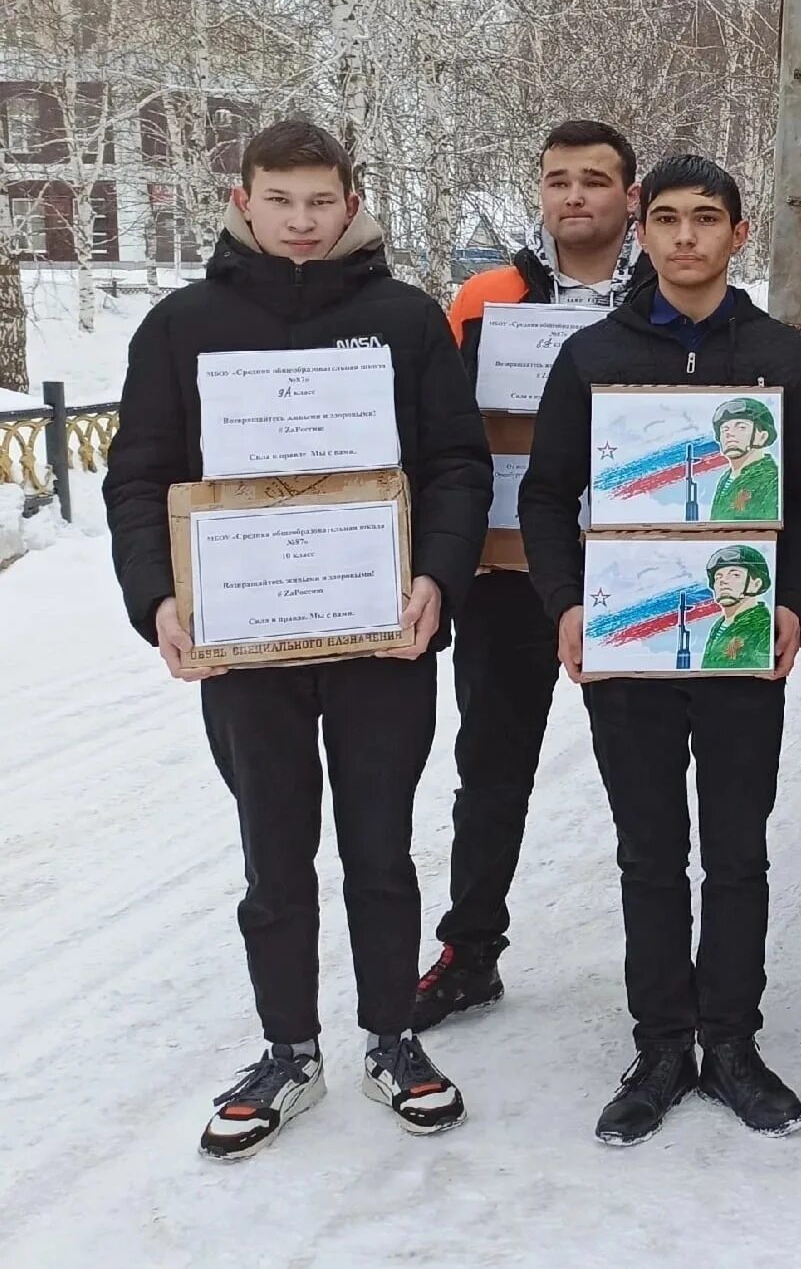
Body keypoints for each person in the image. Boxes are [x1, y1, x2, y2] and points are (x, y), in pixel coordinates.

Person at [103, 119, 492, 1160]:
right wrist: (158, 597)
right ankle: (288, 1048)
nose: (304, 221)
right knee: (274, 854)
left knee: (379, 848)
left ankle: (392, 1034)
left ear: (351, 197)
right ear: (243, 200)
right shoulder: (183, 325)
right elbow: (137, 475)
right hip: (245, 644)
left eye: (323, 200)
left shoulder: (405, 320)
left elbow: (456, 463)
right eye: (282, 200)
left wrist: (436, 577)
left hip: (380, 637)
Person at [518, 153, 801, 1147]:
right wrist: (566, 599)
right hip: (634, 642)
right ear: (642, 234)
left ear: (740, 234)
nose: (686, 236)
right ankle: (661, 1042)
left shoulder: (783, 356)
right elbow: (542, 490)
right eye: (667, 219)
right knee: (652, 850)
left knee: (737, 850)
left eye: (706, 218)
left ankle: (732, 1040)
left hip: (741, 643)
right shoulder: (591, 356)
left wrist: (791, 603)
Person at [415, 117, 647, 1032]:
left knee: (641, 773)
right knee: (492, 764)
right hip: (509, 570)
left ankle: (659, 969)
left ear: (630, 197)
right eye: (559, 180)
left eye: (596, 179)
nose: (576, 196)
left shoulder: (666, 293)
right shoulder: (482, 298)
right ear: (540, 193)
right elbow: (439, 436)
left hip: (631, 567)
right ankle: (470, 951)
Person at [700, 544, 777, 671]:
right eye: (718, 576)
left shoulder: (764, 628)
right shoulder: (718, 626)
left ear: (756, 584)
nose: (722, 581)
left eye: (735, 575)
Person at [708, 396, 781, 523]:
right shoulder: (725, 480)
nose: (729, 434)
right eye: (724, 429)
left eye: (741, 427)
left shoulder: (772, 480)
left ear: (762, 437)